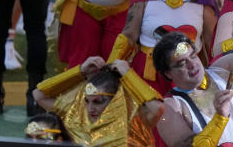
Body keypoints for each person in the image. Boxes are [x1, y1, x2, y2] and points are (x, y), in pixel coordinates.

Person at [32, 56, 163, 145]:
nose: (90, 109)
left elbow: (158, 108)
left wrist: (127, 73)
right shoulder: (76, 114)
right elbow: (39, 94)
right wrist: (80, 71)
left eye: (98, 101)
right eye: (87, 101)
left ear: (115, 100)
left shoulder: (133, 119)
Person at [154, 31, 233, 146]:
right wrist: (219, 118)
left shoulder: (222, 73)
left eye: (193, 56)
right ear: (168, 73)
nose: (192, 65)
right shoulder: (170, 107)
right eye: (182, 63)